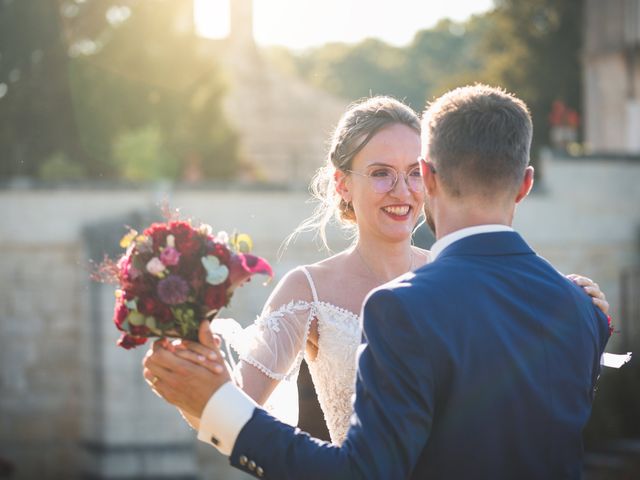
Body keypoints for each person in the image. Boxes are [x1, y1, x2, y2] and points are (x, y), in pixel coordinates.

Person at [143, 85, 612, 479]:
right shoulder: (308, 289)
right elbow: (233, 406)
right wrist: (199, 380)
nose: (403, 191)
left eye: (411, 173)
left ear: (429, 178)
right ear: (343, 183)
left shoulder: (419, 303)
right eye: (382, 174)